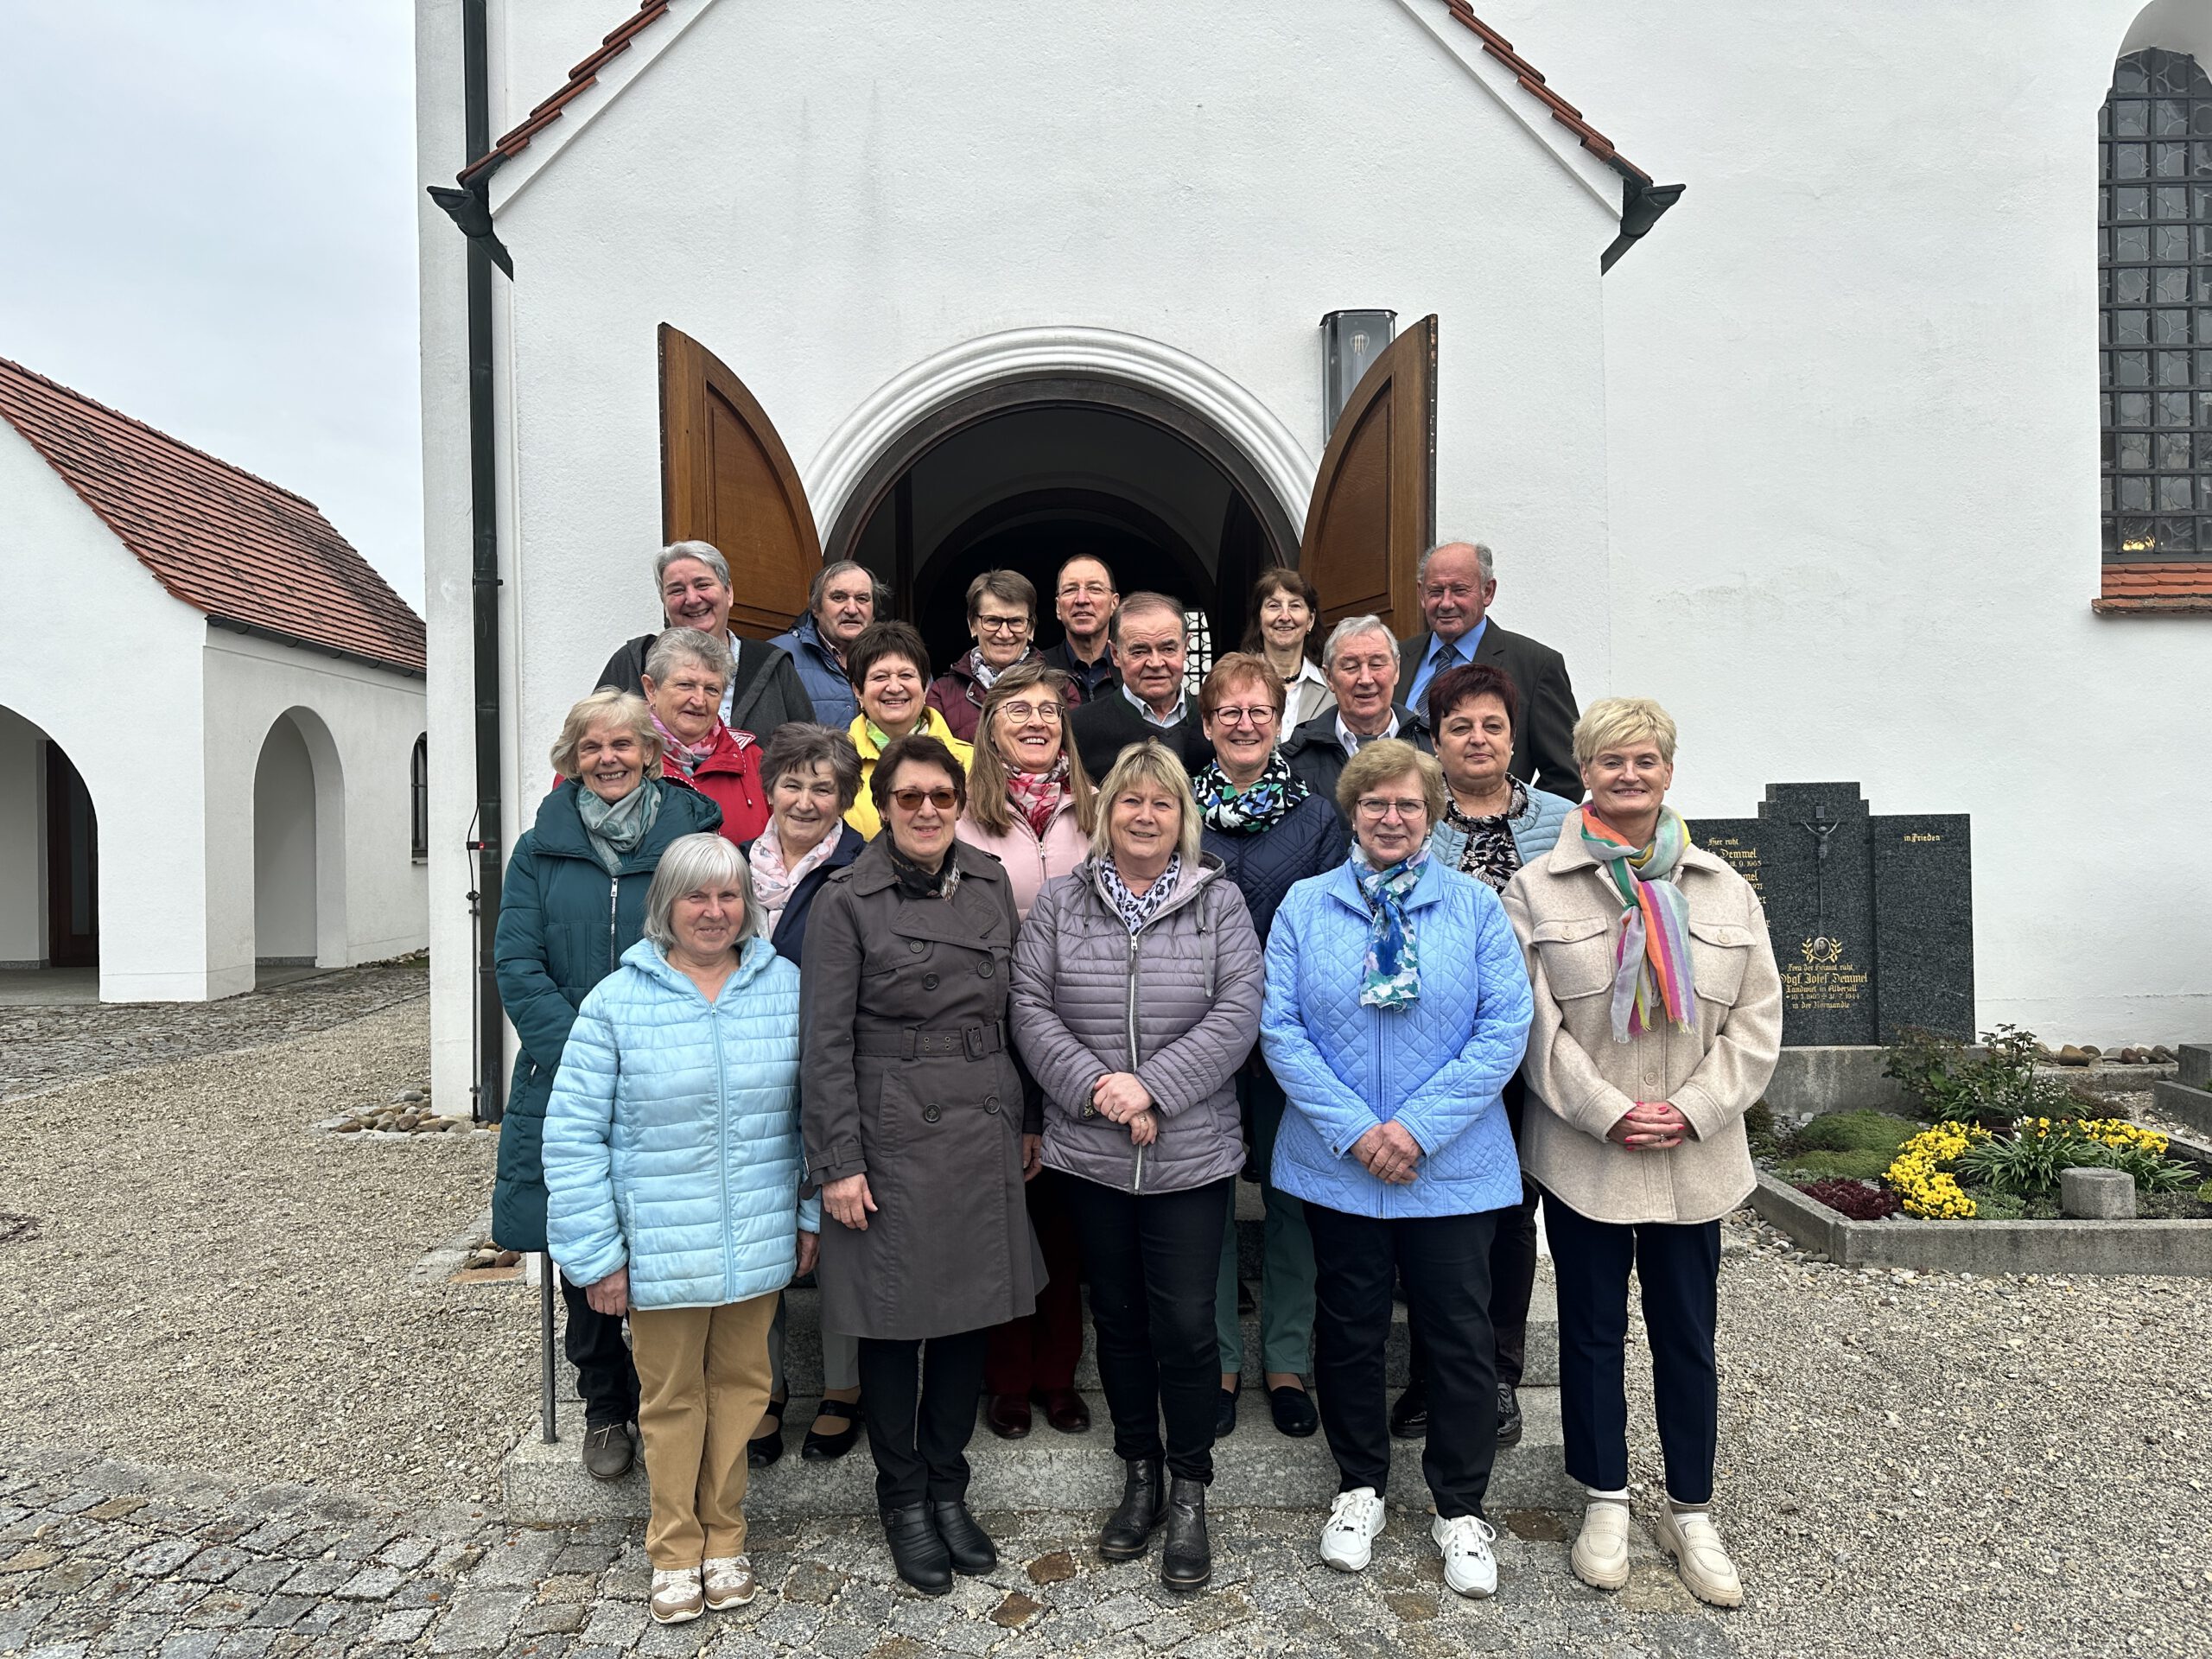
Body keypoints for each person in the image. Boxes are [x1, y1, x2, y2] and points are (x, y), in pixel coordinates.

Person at [1502, 698, 1781, 1611]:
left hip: (1693, 1157)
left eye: (1645, 761)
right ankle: (1606, 1499)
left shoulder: (1724, 890)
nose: (1628, 776)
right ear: (1584, 772)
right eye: (1611, 762)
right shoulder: (1538, 890)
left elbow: (1757, 1021)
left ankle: (1691, 1509)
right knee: (1589, 1332)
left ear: (1668, 772)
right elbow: (1531, 1024)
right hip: (1589, 1152)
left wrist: (1693, 1109)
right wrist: (1607, 1109)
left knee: (1686, 1338)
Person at [1260, 739, 1534, 1602]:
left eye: (1407, 805)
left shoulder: (1475, 907)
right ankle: (1360, 1487)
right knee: (1348, 1330)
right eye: (1374, 804)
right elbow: (1282, 1031)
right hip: (1340, 1164)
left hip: (1449, 1165)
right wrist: (1358, 1131)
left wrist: (1413, 1129)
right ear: (1351, 812)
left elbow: (1503, 1030)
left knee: (1456, 1336)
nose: (1390, 818)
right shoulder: (1306, 907)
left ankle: (1460, 1506)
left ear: (1432, 813)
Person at [1011, 741, 1264, 1592]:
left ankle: (1190, 1487)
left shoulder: (1216, 903)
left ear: (1181, 817)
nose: (1145, 816)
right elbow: (1029, 1006)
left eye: (1161, 804)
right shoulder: (1060, 902)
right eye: (1130, 802)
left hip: (1188, 1157)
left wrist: (1151, 1086)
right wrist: (1097, 1089)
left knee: (1188, 1328)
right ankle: (1139, 1473)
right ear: (1107, 813)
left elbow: (1238, 1012)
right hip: (1091, 1156)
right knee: (1116, 1322)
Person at [542, 833, 813, 1627]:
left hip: (755, 1239)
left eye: (728, 895)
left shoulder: (784, 988)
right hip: (657, 1246)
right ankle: (672, 1546)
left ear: (747, 905)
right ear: (667, 905)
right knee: (668, 1399)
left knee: (744, 1392)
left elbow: (810, 1119)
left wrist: (803, 1214)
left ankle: (725, 1534)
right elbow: (573, 1134)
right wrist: (597, 1255)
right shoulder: (617, 1001)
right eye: (696, 895)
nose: (713, 911)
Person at [801, 734, 1043, 1597]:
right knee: (895, 1323)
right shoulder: (845, 899)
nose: (929, 811)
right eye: (910, 798)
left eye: (942, 795)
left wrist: (1028, 1116)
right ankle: (902, 1497)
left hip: (980, 1117)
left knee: (969, 1318)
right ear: (884, 802)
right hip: (888, 1125)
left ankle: (949, 1487)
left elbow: (1021, 1009)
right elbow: (823, 1040)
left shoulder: (987, 882)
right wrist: (836, 1162)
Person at [493, 690, 723, 1487]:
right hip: (567, 1076)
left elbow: (711, 946)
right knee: (582, 1246)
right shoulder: (538, 849)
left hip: (670, 1075)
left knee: (668, 1241)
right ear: (572, 758)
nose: (609, 758)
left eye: (623, 743)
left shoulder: (692, 835)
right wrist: (591, 1055)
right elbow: (517, 967)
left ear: (650, 752)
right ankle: (604, 1407)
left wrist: (657, 1053)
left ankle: (679, 1402)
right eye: (592, 746)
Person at [1388, 663, 1579, 1445]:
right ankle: (1434, 1372)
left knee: (1507, 1214)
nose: (1476, 739)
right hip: (1430, 1057)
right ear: (1435, 738)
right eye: (1458, 725)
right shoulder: (1408, 818)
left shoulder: (1563, 821)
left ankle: (1497, 1373)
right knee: (1432, 1216)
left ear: (1514, 736)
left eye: (1492, 725)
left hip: (1531, 1048)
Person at [1189, 654, 1344, 1442]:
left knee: (1292, 1201)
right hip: (1199, 1039)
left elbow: (1325, 931)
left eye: (1258, 710)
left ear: (1279, 720)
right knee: (1210, 1201)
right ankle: (1220, 1361)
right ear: (1208, 722)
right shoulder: (1179, 808)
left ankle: (1285, 1360)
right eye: (1229, 712)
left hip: (1291, 1039)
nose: (1244, 723)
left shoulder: (1318, 818)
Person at [955, 663, 1098, 1441]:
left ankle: (1058, 1376)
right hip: (988, 1035)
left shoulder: (1097, 808)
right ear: (991, 723)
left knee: (1062, 1226)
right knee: (1002, 1216)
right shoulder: (965, 817)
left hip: (1081, 1034)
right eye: (1019, 710)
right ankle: (1007, 1378)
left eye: (1050, 709)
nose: (1038, 721)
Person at [740, 724, 868, 1467]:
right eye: (793, 782)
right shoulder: (733, 867)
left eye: (824, 787)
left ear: (846, 799)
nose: (807, 799)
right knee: (759, 1225)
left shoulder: (862, 867)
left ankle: (843, 1388)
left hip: (835, 1066)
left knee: (840, 1228)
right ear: (771, 787)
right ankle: (765, 1388)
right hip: (751, 1074)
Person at [1395, 541, 1580, 798]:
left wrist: (1518, 825)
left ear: (1488, 591)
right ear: (1421, 594)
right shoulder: (1396, 658)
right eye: (1435, 591)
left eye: (1459, 590)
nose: (1446, 603)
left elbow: (1565, 775)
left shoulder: (1536, 665)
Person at [597, 542, 814, 737]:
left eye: (702, 585)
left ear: (728, 592)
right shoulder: (633, 660)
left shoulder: (772, 663)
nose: (692, 599)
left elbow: (808, 750)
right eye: (676, 590)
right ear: (664, 603)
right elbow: (590, 741)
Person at [840, 621, 975, 839]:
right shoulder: (837, 764)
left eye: (906, 675)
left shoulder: (973, 763)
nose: (894, 687)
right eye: (880, 677)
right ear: (858, 690)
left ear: (925, 686)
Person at [1280, 615, 1428, 806]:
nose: (1365, 679)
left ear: (1397, 669)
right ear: (1329, 678)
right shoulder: (1295, 760)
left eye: (1376, 664)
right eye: (1350, 666)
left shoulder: (1432, 743)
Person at [639, 628, 769, 845]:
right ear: (651, 688)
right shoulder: (616, 754)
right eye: (685, 685)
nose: (699, 700)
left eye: (712, 689)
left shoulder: (752, 759)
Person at [1066, 592, 1214, 782]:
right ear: (1115, 654)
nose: (1155, 663)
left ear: (1185, 648)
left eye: (1168, 649)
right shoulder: (1079, 728)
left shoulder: (1217, 723)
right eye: (1139, 651)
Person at [925, 569, 1054, 742]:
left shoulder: (1060, 687)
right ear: (972, 625)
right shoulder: (941, 693)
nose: (1004, 633)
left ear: (1030, 629)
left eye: (1016, 621)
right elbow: (934, 761)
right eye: (992, 621)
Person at [768, 560, 879, 734]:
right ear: (815, 608)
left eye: (862, 599)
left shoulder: (901, 658)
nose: (852, 609)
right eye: (839, 597)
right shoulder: (777, 656)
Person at [1241, 569, 1333, 728]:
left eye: (1295, 606)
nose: (1284, 617)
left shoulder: (1333, 689)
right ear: (1259, 618)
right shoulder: (1234, 681)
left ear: (1310, 620)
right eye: (1274, 606)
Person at [1039, 553, 1121, 702]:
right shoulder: (1036, 671)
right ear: (1058, 607)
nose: (1081, 600)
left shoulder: (1133, 668)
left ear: (1114, 603)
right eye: (1070, 590)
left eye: (1095, 589)